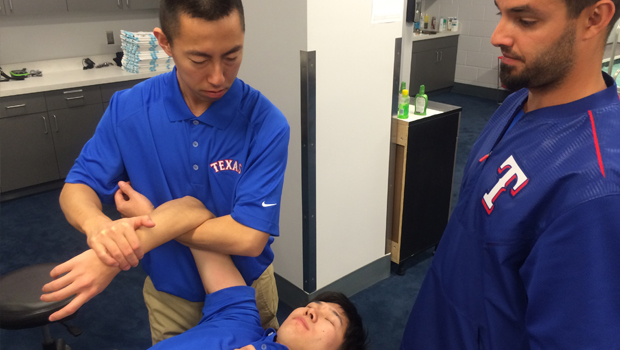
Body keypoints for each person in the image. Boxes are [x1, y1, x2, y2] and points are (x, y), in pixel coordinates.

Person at [56, 0, 289, 343]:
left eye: (231, 56)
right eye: (199, 59)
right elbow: (77, 188)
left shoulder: (266, 124)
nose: (217, 76)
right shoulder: (129, 109)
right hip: (171, 295)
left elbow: (248, 238)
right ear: (165, 43)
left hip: (248, 291)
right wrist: (100, 229)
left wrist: (150, 225)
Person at [400, 0, 620, 349]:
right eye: (500, 13)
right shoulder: (520, 101)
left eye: (526, 20)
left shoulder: (596, 188)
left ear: (593, 19)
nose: (497, 35)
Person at [42, 196, 368, 350]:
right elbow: (195, 213)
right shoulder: (241, 316)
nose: (313, 310)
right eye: (316, 306)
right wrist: (147, 223)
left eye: (329, 320)